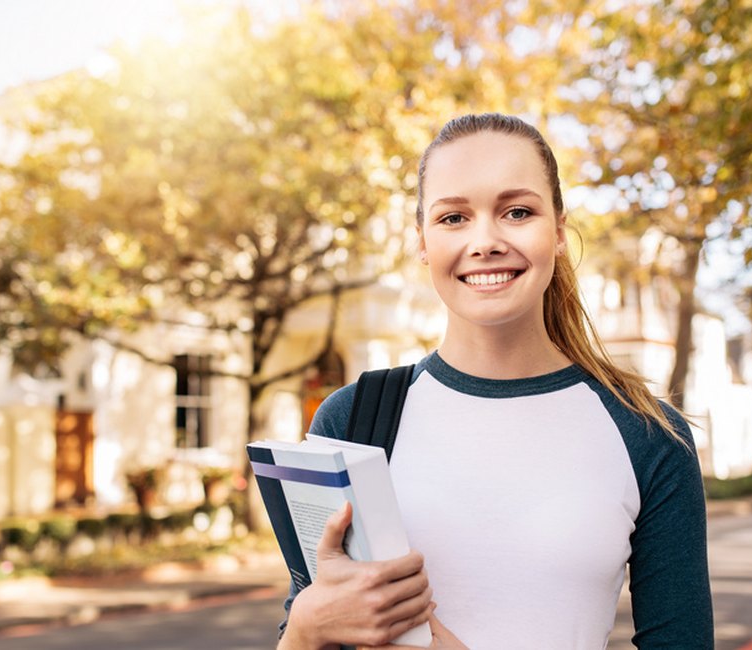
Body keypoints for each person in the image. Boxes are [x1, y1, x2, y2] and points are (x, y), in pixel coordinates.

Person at [277, 113, 713, 649]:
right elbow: (303, 632)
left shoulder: (648, 434)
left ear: (557, 232)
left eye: (517, 211)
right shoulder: (352, 418)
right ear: (422, 242)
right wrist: (305, 625)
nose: (484, 241)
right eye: (454, 218)